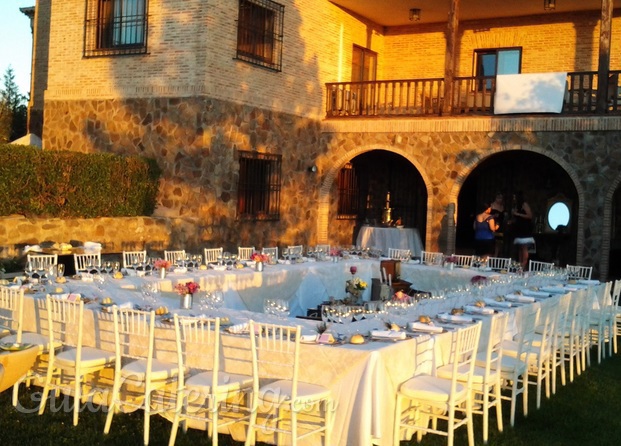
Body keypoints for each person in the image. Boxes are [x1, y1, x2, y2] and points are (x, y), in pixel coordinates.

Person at [512, 191, 534, 269]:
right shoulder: (517, 206)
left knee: (524, 247)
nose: (513, 198)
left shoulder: (524, 204)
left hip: (525, 228)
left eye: (515, 197)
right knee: (520, 248)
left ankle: (524, 264)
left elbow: (530, 216)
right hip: (519, 229)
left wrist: (518, 214)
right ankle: (520, 264)